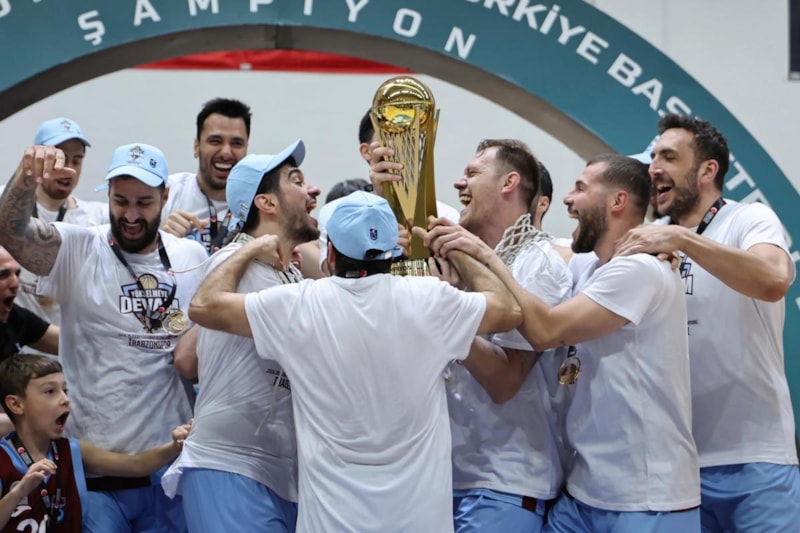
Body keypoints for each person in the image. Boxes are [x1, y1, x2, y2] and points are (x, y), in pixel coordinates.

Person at [188, 190, 521, 532]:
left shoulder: (297, 305)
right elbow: (509, 310)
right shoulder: (431, 300)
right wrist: (457, 250)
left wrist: (249, 248)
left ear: (331, 253)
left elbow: (203, 306)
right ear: (394, 252)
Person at [427, 153, 700, 531]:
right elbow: (540, 250)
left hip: (646, 495)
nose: (567, 199)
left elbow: (545, 332)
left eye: (580, 188)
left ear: (617, 201)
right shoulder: (589, 264)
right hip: (583, 492)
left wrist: (482, 256)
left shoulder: (640, 269)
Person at [0, 142, 208, 532]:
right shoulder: (79, 247)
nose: (130, 215)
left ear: (165, 196)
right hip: (94, 474)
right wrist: (25, 178)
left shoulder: (191, 257)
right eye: (120, 201)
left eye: (144, 203)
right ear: (108, 194)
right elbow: (12, 234)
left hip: (171, 470)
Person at [371, 138, 572, 532]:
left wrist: (449, 312)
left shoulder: (540, 261)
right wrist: (385, 197)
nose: (458, 183)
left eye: (472, 173)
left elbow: (506, 381)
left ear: (509, 183)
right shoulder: (448, 258)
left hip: (504, 481)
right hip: (438, 474)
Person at [615, 114, 800, 531]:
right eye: (653, 157)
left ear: (707, 170)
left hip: (755, 457)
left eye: (668, 157)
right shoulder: (647, 237)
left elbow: (774, 280)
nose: (653, 168)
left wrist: (683, 239)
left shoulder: (747, 219)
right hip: (672, 469)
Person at [162, 139, 319, 532]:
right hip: (228, 466)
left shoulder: (291, 274)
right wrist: (246, 251)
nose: (311, 190)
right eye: (296, 180)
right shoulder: (231, 264)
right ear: (266, 203)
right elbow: (196, 325)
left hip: (279, 473)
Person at [0, 354, 192, 532]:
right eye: (50, 391)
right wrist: (20, 491)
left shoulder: (71, 450)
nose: (65, 399)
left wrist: (175, 446)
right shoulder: (3, 459)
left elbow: (137, 465)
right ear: (16, 404)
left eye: (65, 390)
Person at [1, 118, 108, 329]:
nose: (69, 169)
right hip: (13, 340)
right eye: (61, 159)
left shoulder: (97, 217)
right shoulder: (6, 204)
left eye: (77, 160)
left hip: (69, 342)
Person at [160, 97, 252, 252]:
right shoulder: (167, 193)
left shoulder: (260, 206)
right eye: (215, 141)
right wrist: (161, 241)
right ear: (197, 147)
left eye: (236, 143)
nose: (226, 153)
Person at [358, 108, 461, 223]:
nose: (403, 143)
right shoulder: (348, 213)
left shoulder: (446, 216)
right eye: (391, 135)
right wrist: (382, 199)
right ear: (366, 152)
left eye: (411, 135)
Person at [0, 246, 58, 361]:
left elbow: (69, 342)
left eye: (17, 274)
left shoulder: (14, 316)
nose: (15, 284)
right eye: (3, 275)